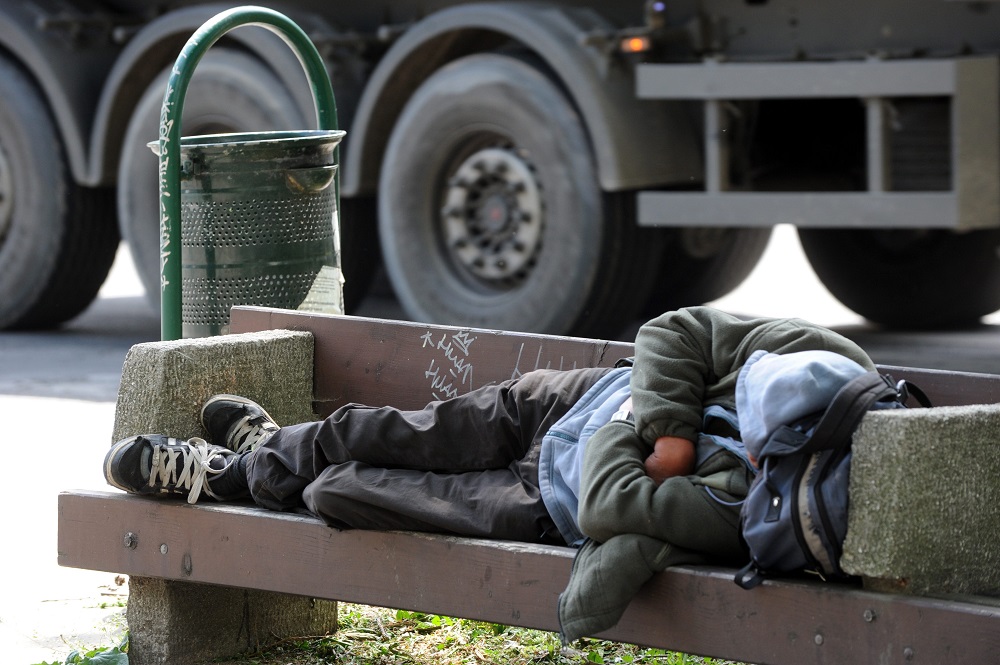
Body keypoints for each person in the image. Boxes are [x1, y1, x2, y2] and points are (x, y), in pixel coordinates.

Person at [104, 306, 875, 554]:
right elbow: (677, 330)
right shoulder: (824, 358)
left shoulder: (771, 513)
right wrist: (665, 429)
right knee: (373, 429)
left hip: (541, 502)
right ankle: (235, 472)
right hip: (558, 400)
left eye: (755, 436)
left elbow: (612, 506)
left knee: (344, 489)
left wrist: (635, 432)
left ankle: (270, 459)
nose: (741, 417)